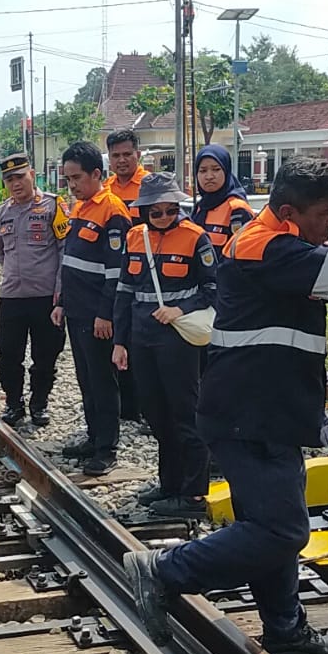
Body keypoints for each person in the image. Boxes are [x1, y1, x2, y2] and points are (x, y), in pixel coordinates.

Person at [122, 158, 328, 654]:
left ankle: (285, 631)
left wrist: (327, 246)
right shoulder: (268, 249)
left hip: (264, 408)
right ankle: (164, 570)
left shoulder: (274, 242)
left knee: (270, 523)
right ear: (288, 212)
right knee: (282, 530)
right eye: (325, 214)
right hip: (250, 412)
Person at [111, 173, 217, 519]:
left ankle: (193, 495)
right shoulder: (134, 237)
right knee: (155, 414)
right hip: (142, 337)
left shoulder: (195, 238)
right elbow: (125, 291)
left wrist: (179, 310)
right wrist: (120, 341)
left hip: (178, 340)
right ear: (143, 211)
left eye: (169, 211)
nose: (163, 218)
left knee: (185, 414)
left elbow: (214, 289)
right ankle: (169, 484)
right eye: (155, 212)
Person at [53, 141, 132, 476]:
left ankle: (106, 448)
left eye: (77, 178)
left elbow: (117, 271)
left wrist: (106, 313)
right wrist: (61, 303)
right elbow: (70, 261)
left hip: (97, 314)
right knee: (86, 379)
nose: (72, 185)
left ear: (96, 174)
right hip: (77, 310)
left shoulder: (112, 211)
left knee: (102, 381)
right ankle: (93, 436)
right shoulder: (80, 207)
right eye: (68, 179)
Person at [0, 152, 69, 428]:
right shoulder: (3, 212)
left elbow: (64, 250)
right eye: (9, 179)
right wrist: (14, 270)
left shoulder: (53, 206)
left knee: (45, 356)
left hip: (46, 297)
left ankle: (39, 404)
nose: (15, 184)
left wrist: (60, 290)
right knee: (8, 356)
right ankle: (14, 403)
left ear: (32, 175)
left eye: (20, 177)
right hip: (12, 297)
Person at [104, 130, 147, 423]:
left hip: (146, 276)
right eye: (116, 155)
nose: (121, 160)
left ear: (138, 155)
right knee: (117, 336)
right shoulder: (105, 189)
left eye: (126, 154)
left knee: (141, 341)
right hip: (113, 275)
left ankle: (145, 407)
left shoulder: (150, 186)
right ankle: (125, 406)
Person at [190, 144, 254, 261]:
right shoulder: (199, 207)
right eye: (203, 171)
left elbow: (244, 254)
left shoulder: (237, 210)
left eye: (216, 169)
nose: (209, 176)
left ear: (226, 170)